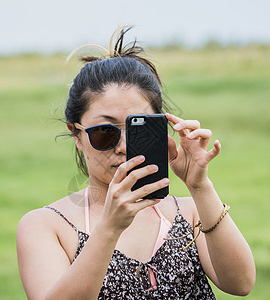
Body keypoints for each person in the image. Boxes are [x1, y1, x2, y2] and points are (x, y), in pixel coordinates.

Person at [17, 27, 256, 299]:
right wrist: (109, 227)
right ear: (77, 135)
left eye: (139, 131)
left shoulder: (190, 212)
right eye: (105, 132)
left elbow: (241, 283)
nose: (123, 147)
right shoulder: (47, 226)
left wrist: (200, 186)